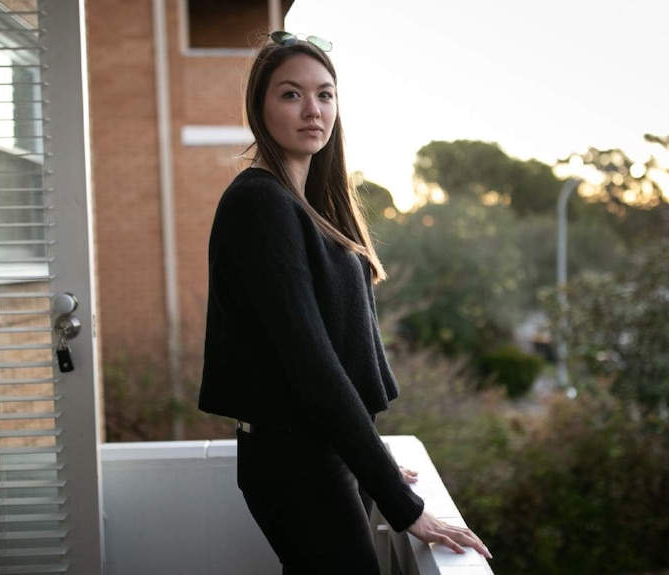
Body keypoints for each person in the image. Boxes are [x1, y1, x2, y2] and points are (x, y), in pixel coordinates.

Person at [198, 31, 492, 574]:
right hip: (295, 463)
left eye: (325, 94)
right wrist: (404, 507)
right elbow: (312, 363)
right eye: (291, 94)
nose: (313, 109)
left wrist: (371, 460)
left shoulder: (304, 205)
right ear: (260, 108)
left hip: (320, 454)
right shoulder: (260, 204)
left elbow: (335, 351)